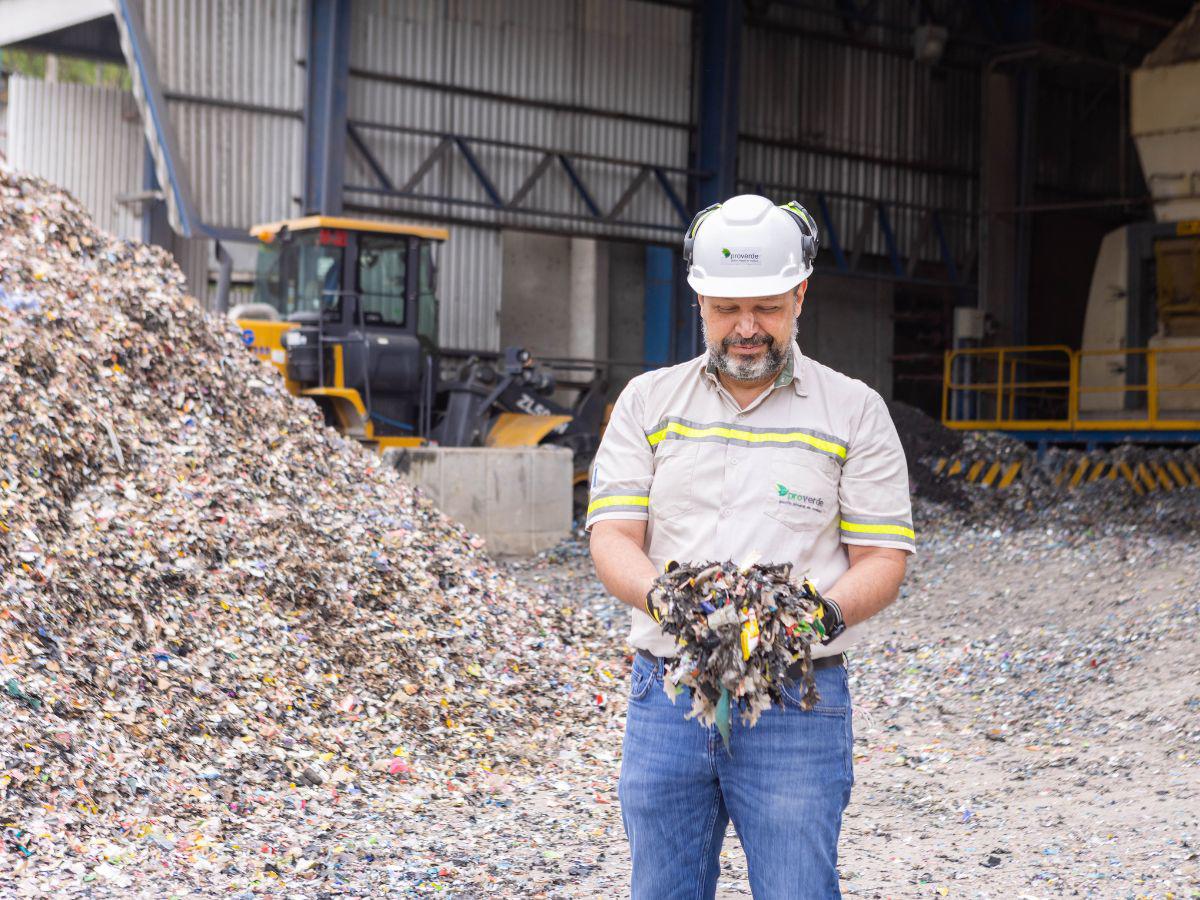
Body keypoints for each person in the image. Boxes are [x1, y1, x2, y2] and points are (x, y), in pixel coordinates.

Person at [587, 194, 915, 899]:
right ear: (697, 299)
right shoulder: (647, 402)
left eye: (765, 307)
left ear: (800, 293)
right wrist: (665, 600)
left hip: (796, 694)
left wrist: (816, 616)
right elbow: (613, 536)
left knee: (798, 888)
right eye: (725, 308)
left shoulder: (852, 410)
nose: (745, 329)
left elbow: (884, 558)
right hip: (668, 691)